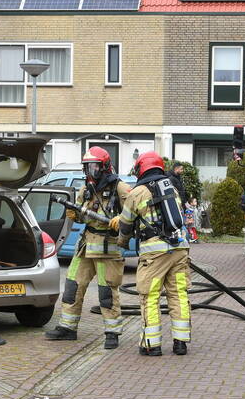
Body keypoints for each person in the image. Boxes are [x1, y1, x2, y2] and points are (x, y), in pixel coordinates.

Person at [44, 147, 131, 350]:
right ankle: (68, 328)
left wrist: (122, 219)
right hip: (85, 245)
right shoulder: (86, 190)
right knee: (72, 286)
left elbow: (135, 212)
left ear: (104, 166)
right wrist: (74, 214)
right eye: (88, 166)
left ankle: (112, 333)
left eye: (95, 166)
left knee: (106, 291)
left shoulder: (120, 188)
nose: (91, 170)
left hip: (107, 248)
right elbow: (82, 216)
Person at [118, 151, 192, 356]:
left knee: (150, 296)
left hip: (154, 255)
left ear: (141, 169)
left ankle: (151, 344)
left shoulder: (137, 193)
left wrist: (121, 243)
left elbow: (125, 225)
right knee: (178, 294)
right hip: (179, 250)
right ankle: (181, 343)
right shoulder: (172, 188)